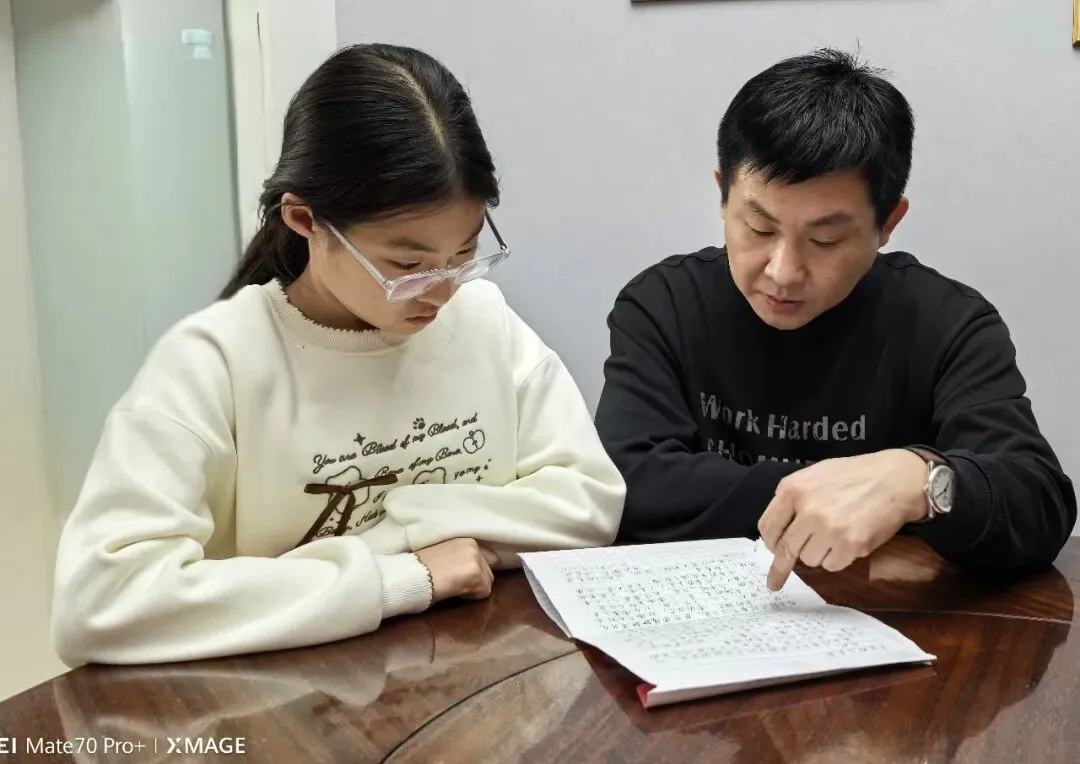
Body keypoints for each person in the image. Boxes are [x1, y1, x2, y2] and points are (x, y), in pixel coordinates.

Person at [51, 43, 625, 666]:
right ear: (305, 220)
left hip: (472, 677)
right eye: (407, 264)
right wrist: (399, 574)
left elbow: (589, 503)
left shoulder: (483, 320)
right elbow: (101, 601)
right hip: (285, 697)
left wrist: (403, 527)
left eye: (464, 254)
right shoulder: (214, 363)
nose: (441, 292)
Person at [594, 49, 1075, 590]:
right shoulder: (664, 305)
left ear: (888, 223)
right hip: (705, 609)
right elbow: (625, 479)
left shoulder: (947, 324)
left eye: (825, 240)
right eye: (759, 228)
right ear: (723, 196)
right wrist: (836, 493)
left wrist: (920, 480)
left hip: (894, 616)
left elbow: (1038, 502)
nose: (783, 272)